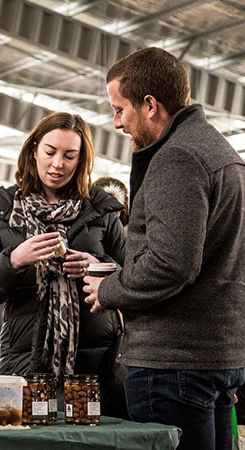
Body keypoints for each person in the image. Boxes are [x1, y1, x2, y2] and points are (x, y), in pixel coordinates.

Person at [83, 47, 245, 450]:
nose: (116, 122)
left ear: (150, 105)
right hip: (217, 356)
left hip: (173, 363)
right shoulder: (220, 152)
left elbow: (171, 263)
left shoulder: (178, 159)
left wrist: (109, 289)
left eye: (119, 109)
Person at [0, 111, 127, 417]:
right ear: (34, 149)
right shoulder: (2, 209)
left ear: (81, 160)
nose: (57, 164)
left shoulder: (100, 209)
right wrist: (13, 259)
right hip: (25, 362)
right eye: (50, 152)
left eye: (70, 156)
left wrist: (98, 265)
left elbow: (135, 274)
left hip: (96, 366)